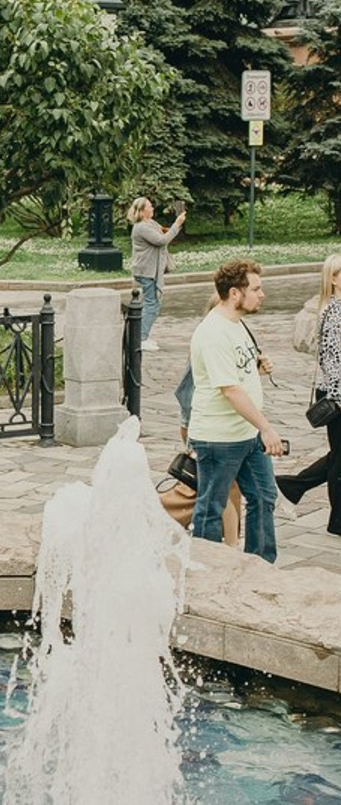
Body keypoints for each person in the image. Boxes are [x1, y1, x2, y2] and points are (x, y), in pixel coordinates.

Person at [188, 259, 284, 563]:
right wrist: (266, 428)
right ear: (234, 293)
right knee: (211, 507)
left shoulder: (236, 323)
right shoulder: (213, 332)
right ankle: (205, 570)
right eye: (255, 289)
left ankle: (261, 564)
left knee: (263, 497)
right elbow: (229, 390)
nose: (262, 294)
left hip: (246, 432)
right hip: (219, 438)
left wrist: (255, 365)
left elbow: (235, 371)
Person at [276, 253, 341, 536]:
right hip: (337, 394)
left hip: (334, 391)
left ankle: (292, 485)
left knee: (339, 456)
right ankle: (337, 521)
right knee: (339, 459)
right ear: (335, 279)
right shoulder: (336, 311)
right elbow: (334, 360)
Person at [128, 197, 186, 351]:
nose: (152, 208)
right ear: (141, 211)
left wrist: (173, 227)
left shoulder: (151, 224)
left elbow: (163, 232)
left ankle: (142, 335)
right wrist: (177, 224)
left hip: (150, 270)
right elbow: (161, 240)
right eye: (149, 206)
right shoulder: (141, 227)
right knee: (152, 304)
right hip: (147, 271)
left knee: (152, 303)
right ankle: (140, 338)